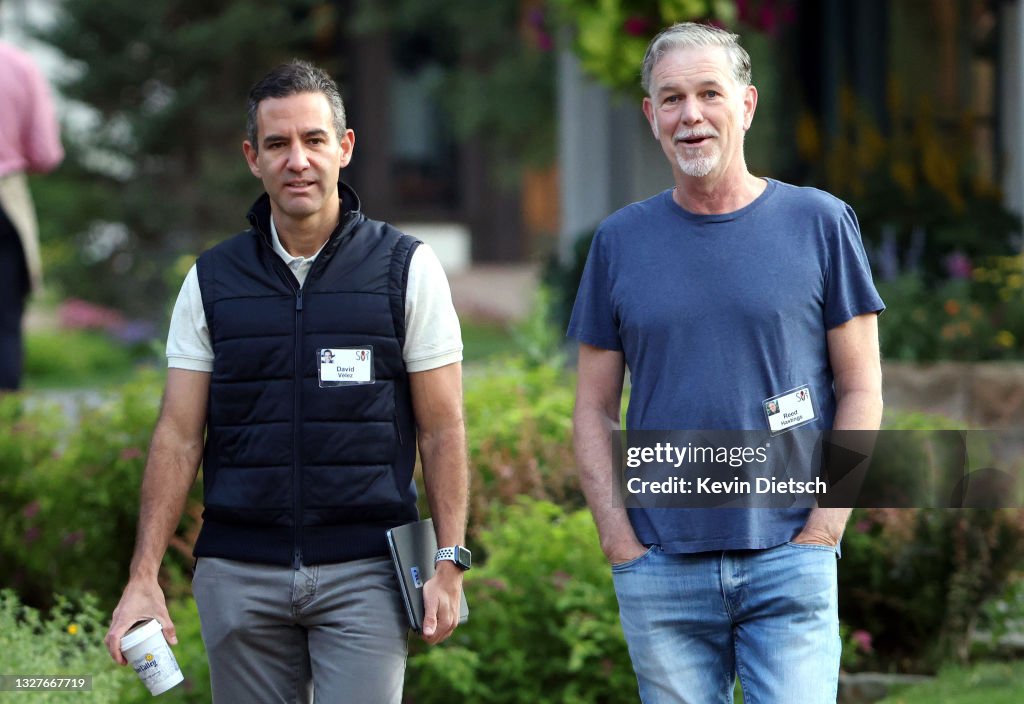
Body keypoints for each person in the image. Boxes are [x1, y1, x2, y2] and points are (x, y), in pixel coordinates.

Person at [104, 60, 470, 703]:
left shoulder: (406, 268)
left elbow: (443, 428)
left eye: (313, 140)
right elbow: (179, 434)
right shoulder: (211, 280)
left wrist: (449, 561)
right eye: (277, 144)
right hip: (238, 574)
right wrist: (143, 574)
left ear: (344, 148)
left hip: (369, 573)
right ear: (252, 157)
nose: (296, 160)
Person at [568, 23, 884, 704]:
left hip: (788, 557)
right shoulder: (620, 242)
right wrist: (620, 544)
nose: (691, 115)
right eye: (672, 98)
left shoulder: (821, 224)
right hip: (661, 567)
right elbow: (592, 408)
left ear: (746, 104)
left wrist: (823, 529)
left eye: (709, 93)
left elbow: (862, 389)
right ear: (652, 116)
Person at [0, 39, 64, 390]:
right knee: (5, 326)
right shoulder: (18, 65)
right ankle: (7, 435)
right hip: (3, 202)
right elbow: (45, 154)